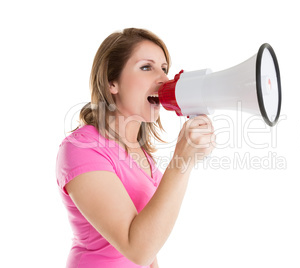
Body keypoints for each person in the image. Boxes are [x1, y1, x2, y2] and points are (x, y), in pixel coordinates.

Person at [56, 28, 216, 268]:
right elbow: (137, 248)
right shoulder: (82, 148)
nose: (163, 79)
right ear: (112, 82)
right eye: (146, 67)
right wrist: (181, 161)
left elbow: (150, 245)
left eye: (164, 68)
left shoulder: (143, 155)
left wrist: (186, 160)